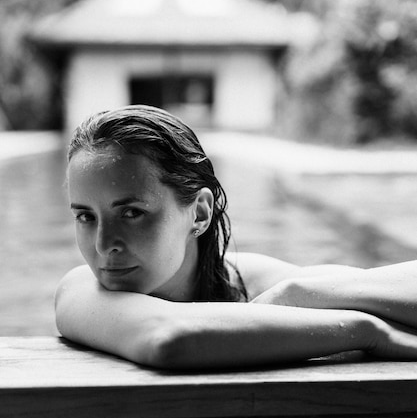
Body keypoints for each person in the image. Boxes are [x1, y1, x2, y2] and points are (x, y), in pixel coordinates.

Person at [56, 104, 417, 369]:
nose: (104, 245)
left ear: (199, 212)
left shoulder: (251, 280)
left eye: (132, 213)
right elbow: (170, 339)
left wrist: (301, 293)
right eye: (85, 216)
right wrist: (365, 330)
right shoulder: (81, 291)